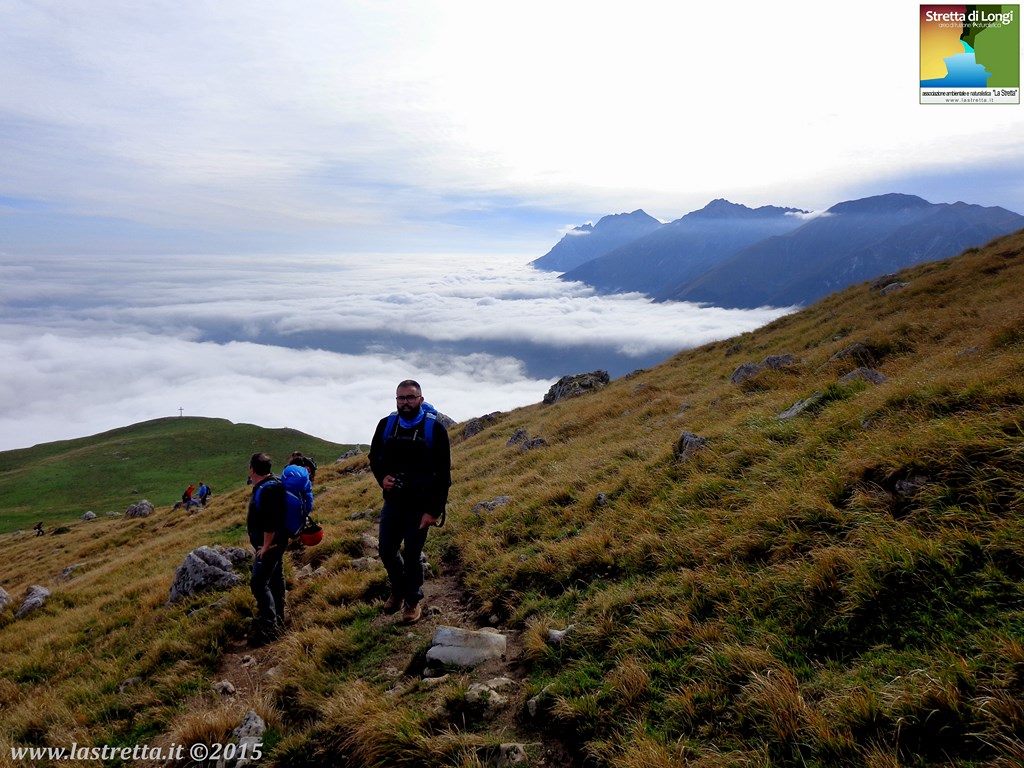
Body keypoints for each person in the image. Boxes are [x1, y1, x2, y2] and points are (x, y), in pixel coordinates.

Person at [369, 379, 451, 623]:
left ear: (421, 400)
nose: (405, 402)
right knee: (386, 550)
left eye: (410, 398)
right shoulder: (386, 425)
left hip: (420, 505)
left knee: (413, 554)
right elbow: (374, 457)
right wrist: (382, 477)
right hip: (393, 501)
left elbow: (443, 474)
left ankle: (412, 601)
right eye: (401, 398)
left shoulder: (435, 430)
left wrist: (433, 511)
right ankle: (398, 589)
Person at [246, 452, 289, 646]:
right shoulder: (271, 484)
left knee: (258, 583)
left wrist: (265, 546)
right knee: (275, 579)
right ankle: (279, 618)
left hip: (271, 545)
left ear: (252, 469)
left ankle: (270, 626)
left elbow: (270, 521)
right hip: (276, 543)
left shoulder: (268, 489)